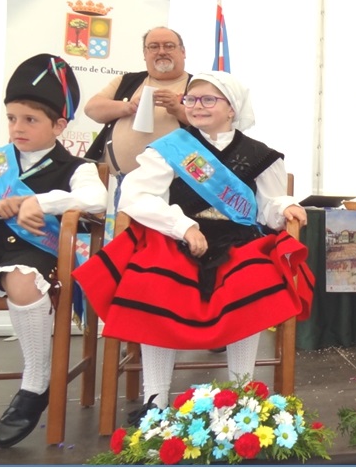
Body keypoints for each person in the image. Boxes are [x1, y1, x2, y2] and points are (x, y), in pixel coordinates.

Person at [73, 71, 313, 415]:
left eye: (208, 99)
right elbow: (135, 195)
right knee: (153, 283)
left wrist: (284, 205)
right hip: (177, 238)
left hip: (238, 240)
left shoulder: (263, 156)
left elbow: (266, 206)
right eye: (191, 99)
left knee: (250, 282)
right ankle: (155, 399)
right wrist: (181, 226)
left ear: (232, 108)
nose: (197, 106)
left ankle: (243, 396)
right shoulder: (171, 149)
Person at [0, 54, 108, 448]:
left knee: (24, 282)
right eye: (12, 118)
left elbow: (95, 198)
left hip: (38, 256)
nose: (17, 128)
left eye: (30, 120)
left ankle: (35, 383)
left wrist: (38, 202)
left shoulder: (76, 166)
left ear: (59, 125)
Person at [84, 26, 191, 178]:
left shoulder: (198, 86)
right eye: (154, 47)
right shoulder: (126, 81)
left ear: (183, 52)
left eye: (169, 46)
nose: (161, 51)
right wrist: (128, 107)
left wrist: (178, 109)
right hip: (116, 181)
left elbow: (214, 126)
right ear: (145, 54)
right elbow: (91, 109)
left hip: (176, 187)